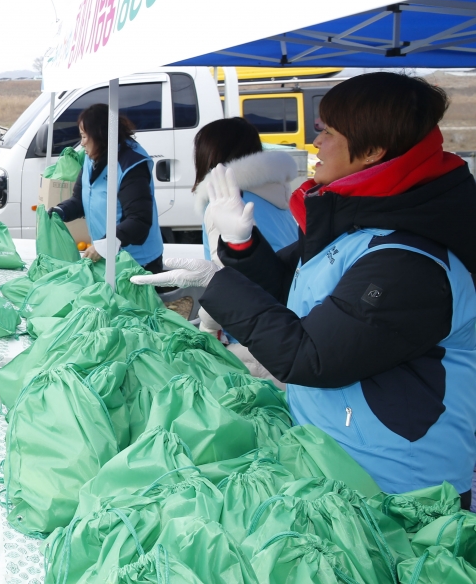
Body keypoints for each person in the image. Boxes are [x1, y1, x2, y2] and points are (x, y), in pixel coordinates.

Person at [133, 73, 476, 504]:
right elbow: (290, 295)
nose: (317, 145)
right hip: (337, 455)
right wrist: (242, 246)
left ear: (372, 151)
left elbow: (311, 355)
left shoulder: (411, 260)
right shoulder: (358, 221)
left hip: (399, 487)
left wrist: (217, 282)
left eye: (328, 132)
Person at [190, 118, 300, 382]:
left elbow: (225, 274)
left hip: (253, 326)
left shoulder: (224, 205)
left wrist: (208, 326)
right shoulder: (277, 195)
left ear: (208, 155)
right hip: (292, 314)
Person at [50, 103, 163, 273]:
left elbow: (139, 220)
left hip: (137, 262)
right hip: (109, 256)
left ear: (100, 135)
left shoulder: (130, 165)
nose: (82, 144)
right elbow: (80, 200)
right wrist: (59, 211)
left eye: (85, 137)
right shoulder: (92, 158)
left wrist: (105, 244)